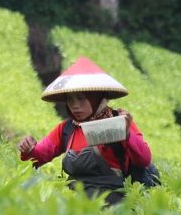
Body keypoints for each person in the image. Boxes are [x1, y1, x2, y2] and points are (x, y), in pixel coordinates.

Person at [18, 56, 151, 205]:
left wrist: (126, 134)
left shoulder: (118, 121)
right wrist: (28, 150)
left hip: (112, 204)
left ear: (97, 98)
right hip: (75, 201)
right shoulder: (67, 129)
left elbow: (144, 159)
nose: (75, 105)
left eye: (81, 99)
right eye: (71, 100)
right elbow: (38, 157)